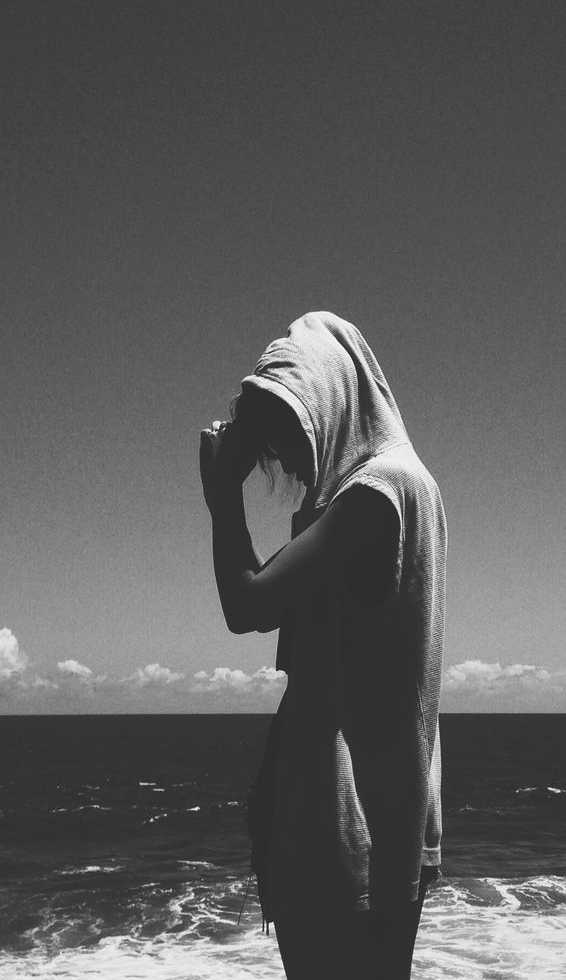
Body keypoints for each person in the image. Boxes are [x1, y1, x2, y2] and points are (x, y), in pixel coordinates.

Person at [199, 311, 446, 980]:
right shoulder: (409, 485)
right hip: (391, 812)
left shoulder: (373, 493)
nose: (287, 457)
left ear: (331, 399)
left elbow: (248, 604)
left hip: (346, 824)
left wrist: (223, 497)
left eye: (289, 432)